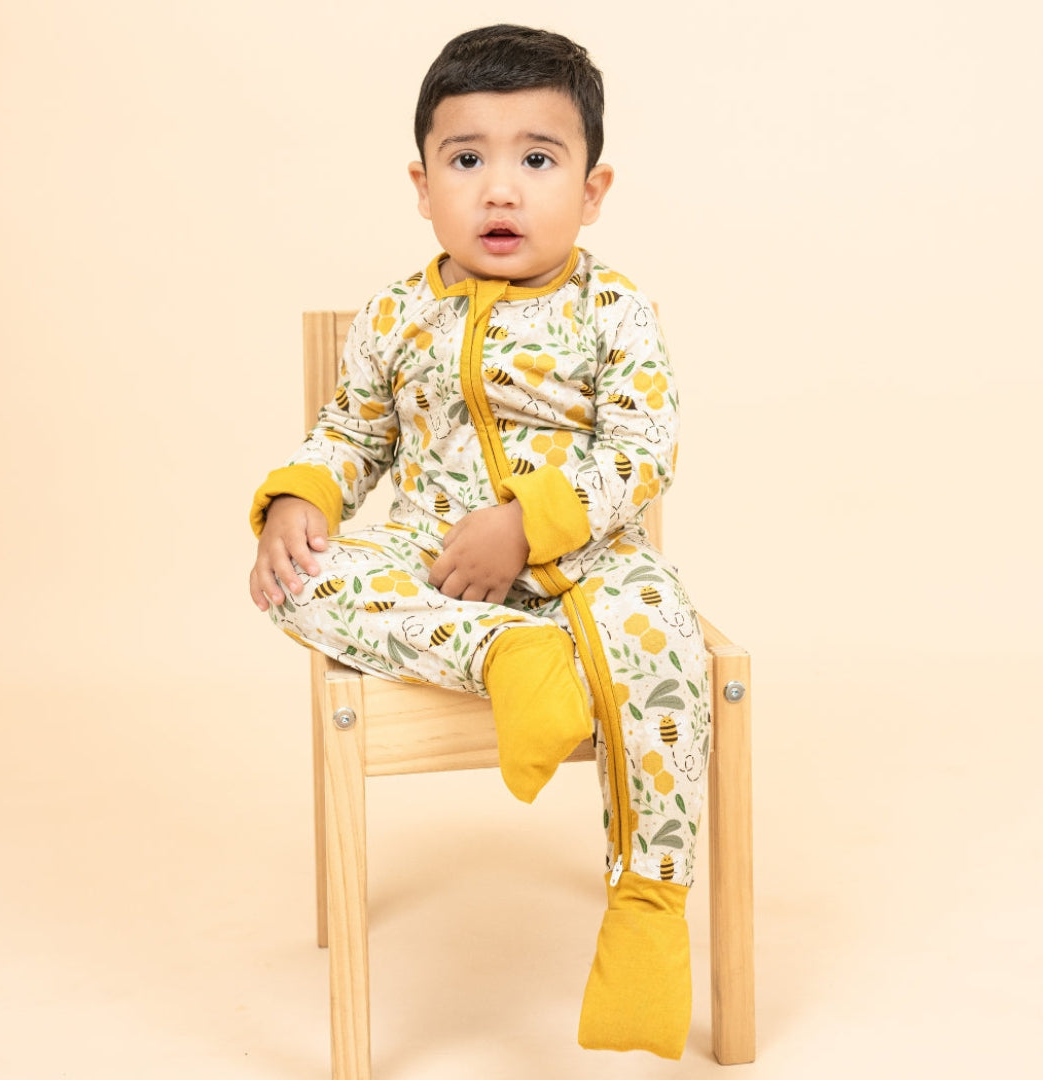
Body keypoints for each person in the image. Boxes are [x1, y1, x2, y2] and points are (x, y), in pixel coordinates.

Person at [248, 24, 710, 1060]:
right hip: (436, 574)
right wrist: (300, 498)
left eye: (537, 160)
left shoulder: (613, 309)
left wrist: (529, 523)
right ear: (422, 185)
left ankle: (647, 910)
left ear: (592, 189)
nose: (500, 191)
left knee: (664, 652)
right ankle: (510, 659)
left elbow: (646, 447)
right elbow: (354, 431)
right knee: (293, 586)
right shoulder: (396, 316)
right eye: (468, 161)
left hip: (592, 564)